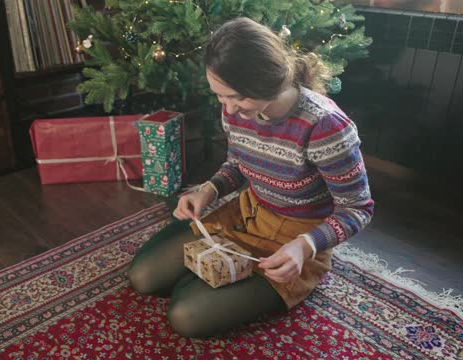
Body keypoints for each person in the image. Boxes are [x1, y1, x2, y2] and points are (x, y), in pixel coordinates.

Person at [127, 17, 374, 338]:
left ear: (268, 81)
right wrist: (210, 190)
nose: (228, 110)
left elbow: (358, 208)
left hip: (296, 237)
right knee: (143, 278)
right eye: (220, 97)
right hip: (245, 214)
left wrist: (306, 247)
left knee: (186, 316)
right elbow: (238, 162)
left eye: (237, 98)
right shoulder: (237, 108)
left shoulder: (326, 126)